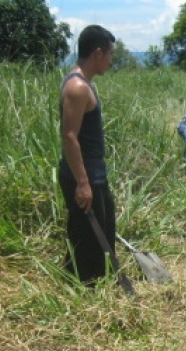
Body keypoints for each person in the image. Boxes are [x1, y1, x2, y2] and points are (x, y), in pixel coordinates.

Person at [58, 25, 118, 284]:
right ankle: (84, 287)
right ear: (97, 53)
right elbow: (69, 135)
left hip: (93, 171)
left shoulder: (84, 83)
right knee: (89, 235)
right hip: (84, 172)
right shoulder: (77, 87)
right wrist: (82, 183)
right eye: (109, 54)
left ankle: (97, 282)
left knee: (102, 228)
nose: (111, 60)